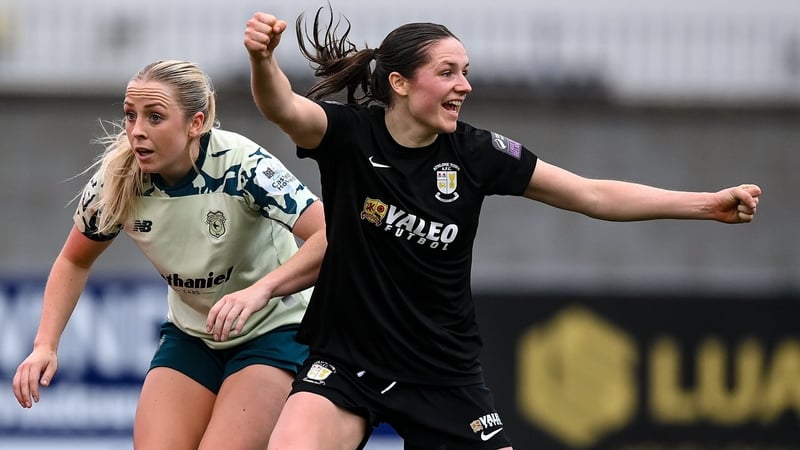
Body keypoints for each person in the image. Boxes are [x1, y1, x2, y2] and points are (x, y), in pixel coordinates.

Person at [243, 7, 762, 450]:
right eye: (447, 72)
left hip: (443, 375)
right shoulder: (349, 135)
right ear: (400, 83)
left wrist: (705, 204)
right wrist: (263, 60)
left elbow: (592, 194)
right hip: (347, 363)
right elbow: (281, 106)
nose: (464, 86)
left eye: (466, 72)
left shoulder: (478, 153)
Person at [11, 59, 326, 450]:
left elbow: (329, 237)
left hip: (275, 331)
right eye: (130, 115)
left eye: (155, 117)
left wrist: (261, 290)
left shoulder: (243, 165)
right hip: (193, 336)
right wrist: (45, 345)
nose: (137, 131)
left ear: (196, 123)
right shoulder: (117, 180)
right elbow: (74, 260)